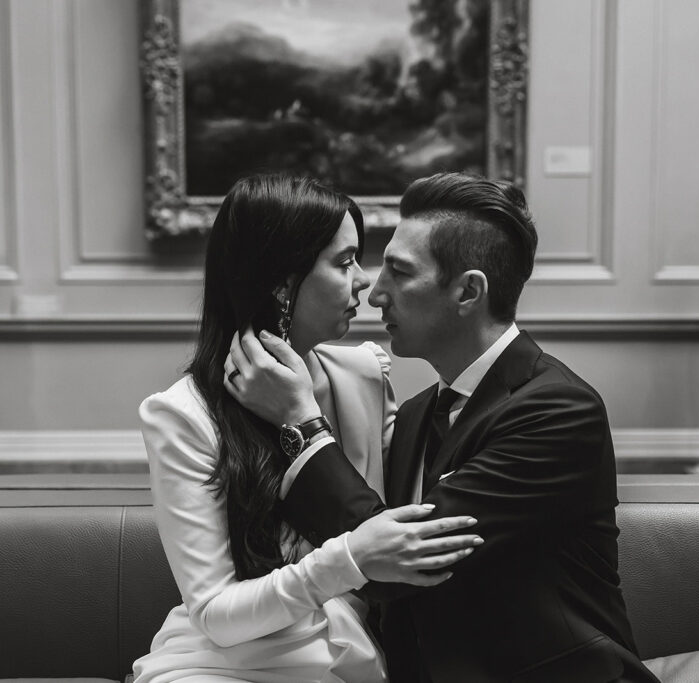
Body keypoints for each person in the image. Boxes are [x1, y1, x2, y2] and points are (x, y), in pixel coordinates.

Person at [227, 173, 660, 682]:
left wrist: (300, 421)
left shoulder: (558, 412)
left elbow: (403, 562)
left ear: (468, 291)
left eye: (400, 273)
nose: (375, 294)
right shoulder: (414, 415)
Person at [132, 174, 481, 683]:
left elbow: (391, 518)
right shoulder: (182, 414)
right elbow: (215, 615)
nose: (365, 281)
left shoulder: (364, 374)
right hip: (221, 664)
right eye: (344, 263)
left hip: (348, 654)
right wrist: (351, 558)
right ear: (280, 281)